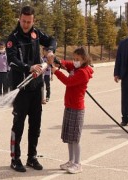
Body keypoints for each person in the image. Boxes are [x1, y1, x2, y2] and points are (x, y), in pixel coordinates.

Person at [7, 6, 56, 172]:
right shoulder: (13, 38)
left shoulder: (36, 34)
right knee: (18, 125)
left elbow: (52, 40)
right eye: (23, 21)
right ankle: (15, 158)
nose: (26, 24)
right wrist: (28, 67)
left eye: (29, 21)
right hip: (21, 89)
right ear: (19, 18)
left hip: (36, 88)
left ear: (33, 20)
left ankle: (32, 157)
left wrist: (50, 51)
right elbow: (11, 60)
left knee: (35, 125)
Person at [48, 46, 93, 174]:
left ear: (84, 59)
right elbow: (67, 64)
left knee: (75, 138)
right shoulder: (75, 67)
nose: (74, 61)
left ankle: (78, 164)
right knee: (69, 136)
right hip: (69, 105)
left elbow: (68, 81)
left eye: (77, 59)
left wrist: (56, 71)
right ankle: (71, 160)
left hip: (77, 108)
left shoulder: (83, 73)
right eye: (74, 58)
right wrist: (57, 60)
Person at [114, 36, 128, 126]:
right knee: (125, 97)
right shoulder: (123, 43)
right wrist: (116, 73)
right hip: (126, 75)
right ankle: (125, 118)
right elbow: (118, 59)